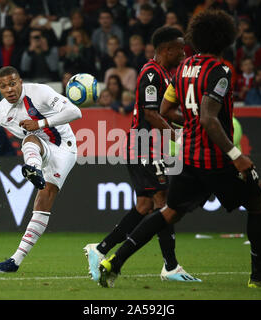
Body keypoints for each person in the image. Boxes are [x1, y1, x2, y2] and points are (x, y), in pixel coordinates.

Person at [97, 10, 261, 289]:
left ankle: (113, 263)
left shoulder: (184, 69)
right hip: (214, 158)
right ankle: (259, 275)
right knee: (259, 203)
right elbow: (208, 118)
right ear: (224, 38)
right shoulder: (220, 70)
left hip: (188, 156)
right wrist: (236, 156)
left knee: (168, 212)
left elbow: (165, 110)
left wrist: (186, 128)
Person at [84, 26, 200, 284]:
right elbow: (150, 113)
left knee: (145, 206)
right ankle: (170, 266)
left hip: (150, 146)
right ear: (166, 50)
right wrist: (177, 136)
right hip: (144, 145)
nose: (183, 55)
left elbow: (165, 112)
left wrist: (190, 122)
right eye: (180, 50)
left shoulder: (164, 75)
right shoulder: (151, 74)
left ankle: (101, 248)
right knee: (164, 202)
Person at [0, 66, 82, 273]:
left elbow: (75, 111)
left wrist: (40, 123)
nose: (9, 89)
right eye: (3, 86)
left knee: (30, 142)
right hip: (40, 150)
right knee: (31, 149)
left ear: (20, 82)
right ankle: (15, 262)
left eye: (12, 84)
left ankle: (33, 169)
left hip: (65, 149)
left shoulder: (39, 91)